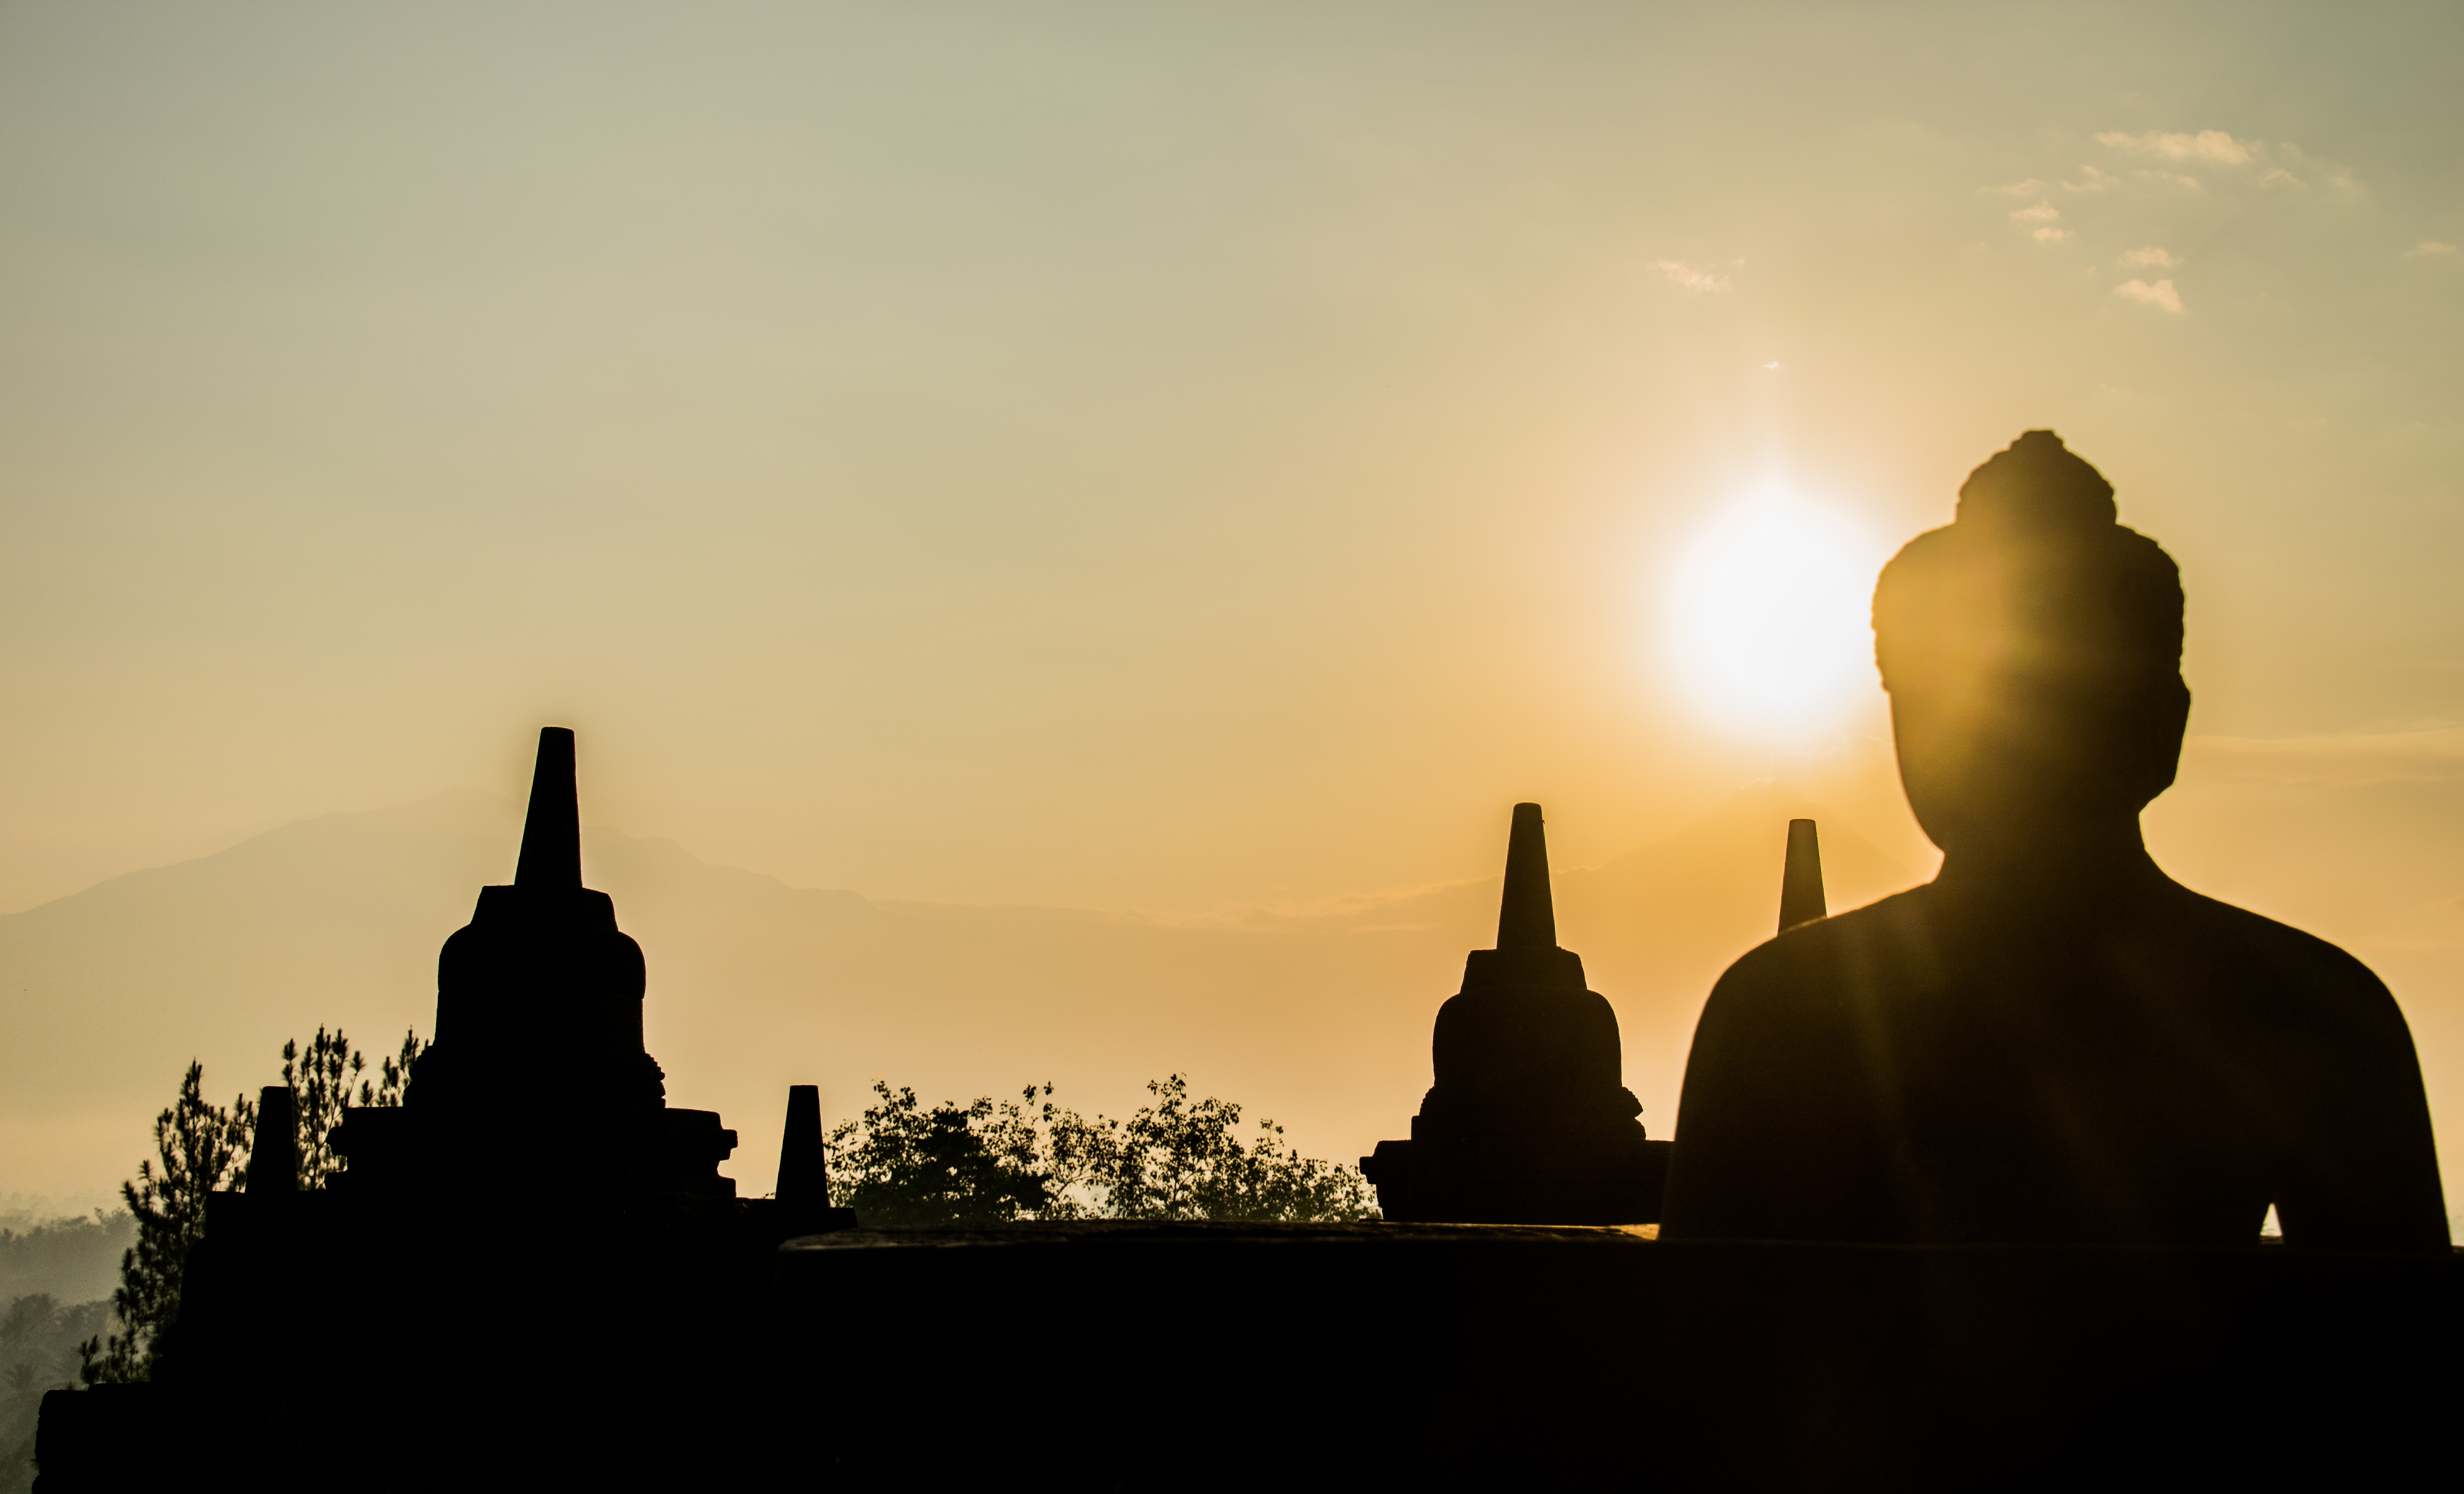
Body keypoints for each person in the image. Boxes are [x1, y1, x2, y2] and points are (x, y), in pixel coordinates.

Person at [1659, 432, 2448, 1250]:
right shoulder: (2314, 1007)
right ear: (2166, 729)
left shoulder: (1784, 1006)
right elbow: (2395, 1350)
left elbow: (1709, 1354)